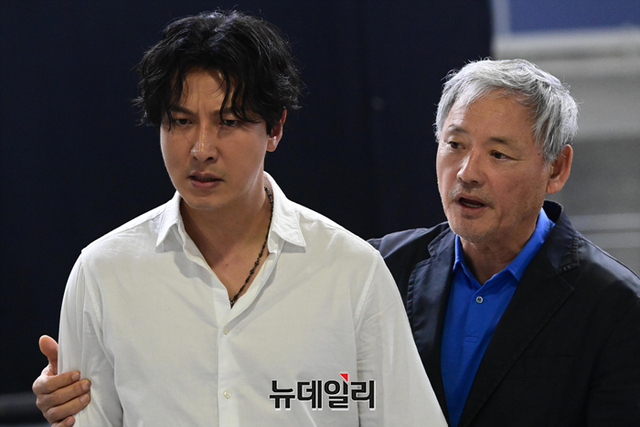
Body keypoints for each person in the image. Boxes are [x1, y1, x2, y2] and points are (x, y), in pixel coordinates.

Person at [31, 10, 447, 426]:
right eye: (181, 121)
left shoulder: (351, 271)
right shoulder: (104, 272)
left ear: (275, 128)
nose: (201, 149)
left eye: (227, 122)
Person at [370, 59, 640, 426]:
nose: (467, 173)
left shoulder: (617, 306)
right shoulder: (380, 268)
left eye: (498, 154)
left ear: (556, 168)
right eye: (455, 144)